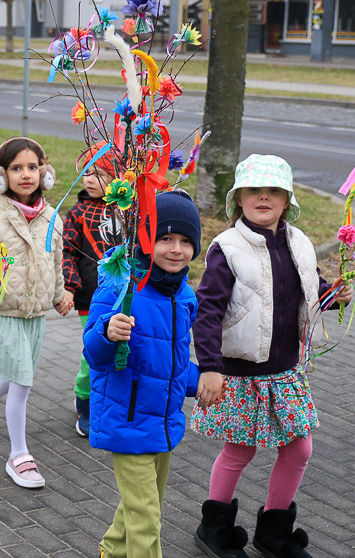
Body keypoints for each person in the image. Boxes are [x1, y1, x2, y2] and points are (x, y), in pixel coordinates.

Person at [191, 154, 354, 558]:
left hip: (285, 371)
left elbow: (310, 287)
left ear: (286, 200)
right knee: (239, 451)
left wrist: (333, 294)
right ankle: (214, 528)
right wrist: (209, 367)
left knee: (299, 449)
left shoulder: (299, 243)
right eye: (254, 190)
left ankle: (274, 532)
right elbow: (207, 312)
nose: (263, 197)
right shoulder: (227, 248)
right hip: (239, 373)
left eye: (273, 191)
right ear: (238, 198)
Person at [84, 190, 207, 558]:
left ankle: (111, 550)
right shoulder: (120, 286)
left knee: (140, 505)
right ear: (145, 239)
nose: (176, 249)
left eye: (186, 241)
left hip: (164, 419)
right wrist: (108, 331)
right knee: (147, 518)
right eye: (165, 238)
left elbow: (170, 361)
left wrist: (199, 380)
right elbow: (94, 355)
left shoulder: (184, 296)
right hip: (127, 418)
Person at [0, 137, 74, 489]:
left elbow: (55, 261)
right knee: (23, 382)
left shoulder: (52, 218)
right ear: (0, 176)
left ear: (45, 173)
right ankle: (19, 455)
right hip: (6, 312)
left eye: (32, 167)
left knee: (16, 375)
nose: (26, 174)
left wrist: (59, 295)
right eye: (16, 168)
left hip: (36, 314)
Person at [62, 141, 123, 437]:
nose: (90, 179)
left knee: (120, 350)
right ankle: (84, 400)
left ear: (115, 177)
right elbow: (68, 253)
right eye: (86, 172)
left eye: (99, 173)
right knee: (93, 352)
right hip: (90, 296)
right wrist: (69, 287)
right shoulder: (77, 212)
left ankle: (109, 400)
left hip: (123, 295)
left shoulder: (126, 210)